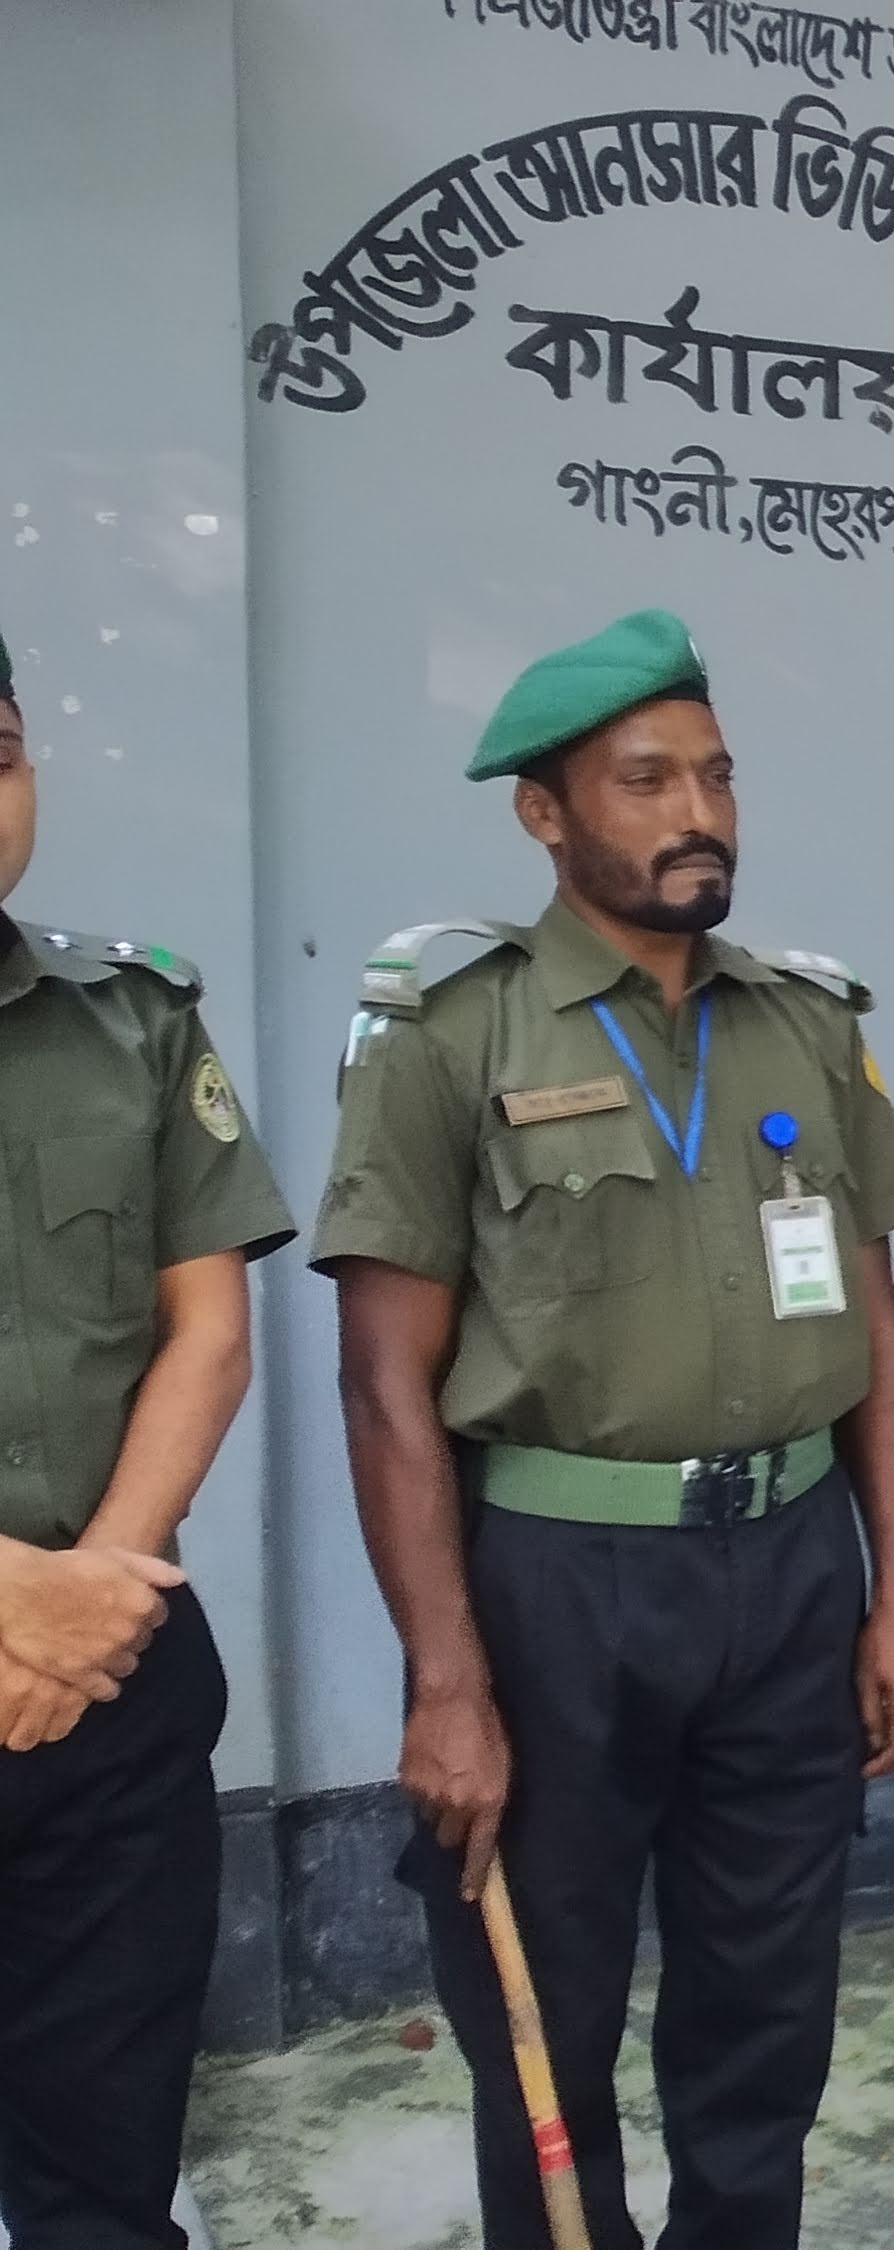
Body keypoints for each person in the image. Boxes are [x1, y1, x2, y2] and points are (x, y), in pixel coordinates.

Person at [313, 609, 894, 2250]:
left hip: (790, 1568)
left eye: (716, 776)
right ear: (546, 811)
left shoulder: (806, 1022)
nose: (699, 814)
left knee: (767, 2018)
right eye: (648, 781)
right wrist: (446, 1680)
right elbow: (383, 1381)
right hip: (556, 1589)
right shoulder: (454, 1031)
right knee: (546, 2024)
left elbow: (879, 1322)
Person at [0, 626, 295, 2249]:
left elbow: (208, 1331)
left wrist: (94, 1596)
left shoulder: (131, 1017)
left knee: (105, 2181)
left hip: (109, 1699)